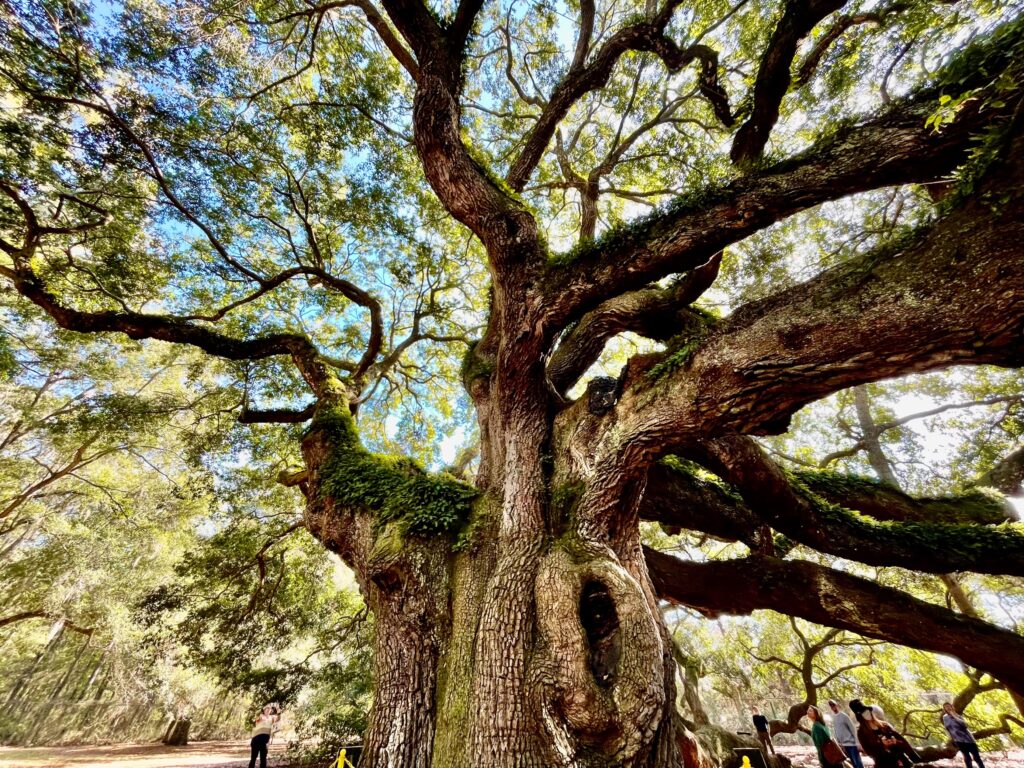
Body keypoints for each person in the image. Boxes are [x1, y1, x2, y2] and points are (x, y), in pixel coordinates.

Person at [850, 699, 915, 768]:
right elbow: (869, 752)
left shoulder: (885, 725)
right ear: (860, 717)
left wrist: (895, 742)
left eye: (867, 711)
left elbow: (904, 743)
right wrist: (883, 745)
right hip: (884, 764)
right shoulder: (861, 733)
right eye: (863, 713)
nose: (867, 714)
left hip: (902, 761)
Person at [941, 702, 986, 768]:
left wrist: (954, 716)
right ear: (944, 709)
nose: (948, 708)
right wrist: (951, 738)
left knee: (976, 757)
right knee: (967, 757)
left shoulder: (958, 716)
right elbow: (947, 728)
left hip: (969, 740)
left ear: (952, 707)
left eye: (949, 706)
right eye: (946, 707)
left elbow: (965, 725)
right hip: (959, 740)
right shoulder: (945, 718)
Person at [829, 699, 863, 768]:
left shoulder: (844, 716)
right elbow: (836, 730)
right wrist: (838, 743)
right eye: (831, 706)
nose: (833, 708)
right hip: (843, 746)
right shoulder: (833, 718)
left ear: (837, 705)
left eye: (834, 705)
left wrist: (857, 743)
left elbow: (853, 729)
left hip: (851, 744)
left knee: (858, 764)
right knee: (851, 764)